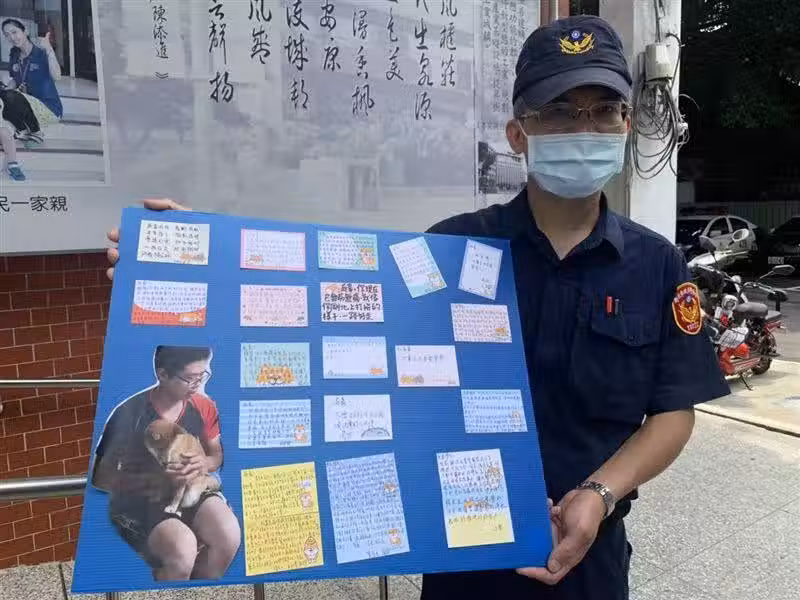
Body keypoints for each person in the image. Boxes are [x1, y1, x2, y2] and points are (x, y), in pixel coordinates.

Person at [105, 15, 730, 599]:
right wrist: (188, 265)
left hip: (593, 560)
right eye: (560, 112)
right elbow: (329, 320)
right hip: (462, 559)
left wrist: (599, 492)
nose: (583, 129)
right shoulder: (449, 250)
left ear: (627, 124)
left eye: (603, 111)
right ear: (519, 133)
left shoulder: (656, 265)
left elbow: (672, 413)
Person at [91, 345, 241, 582]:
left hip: (187, 490)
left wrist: (203, 462)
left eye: (202, 376)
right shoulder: (129, 413)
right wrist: (153, 480)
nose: (197, 385)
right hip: (140, 500)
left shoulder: (204, 406)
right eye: (190, 378)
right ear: (162, 374)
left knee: (228, 534)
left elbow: (216, 457)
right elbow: (100, 477)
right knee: (182, 551)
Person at [1, 18, 63, 181]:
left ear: (25, 32)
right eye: (7, 35)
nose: (12, 37)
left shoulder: (41, 52)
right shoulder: (14, 54)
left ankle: (36, 132)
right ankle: (23, 129)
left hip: (48, 108)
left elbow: (57, 76)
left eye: (14, 32)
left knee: (10, 96)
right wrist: (5, 90)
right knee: (5, 93)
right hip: (27, 106)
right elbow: (15, 80)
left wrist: (49, 49)